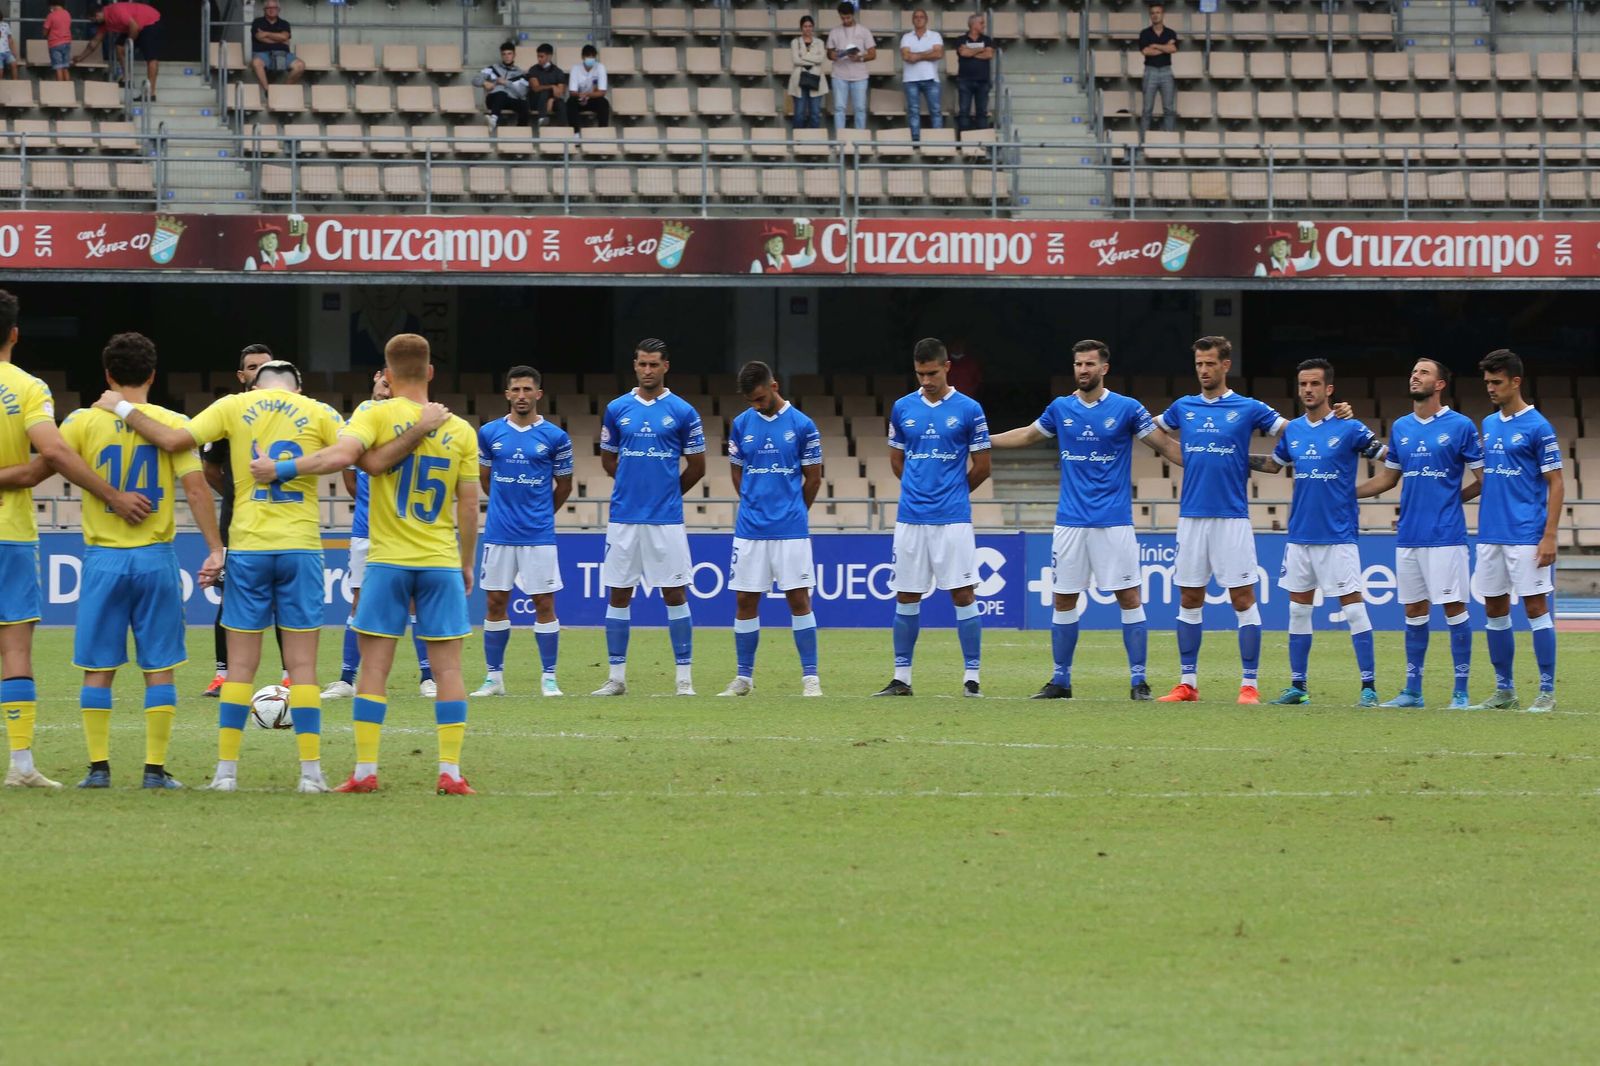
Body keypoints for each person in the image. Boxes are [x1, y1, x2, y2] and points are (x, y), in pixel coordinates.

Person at [100, 359, 344, 793]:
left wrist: (121, 408)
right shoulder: (320, 411)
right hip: (301, 546)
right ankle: (311, 774)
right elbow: (348, 455)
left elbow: (174, 439)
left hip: (249, 548)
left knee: (240, 668)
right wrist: (291, 467)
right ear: (298, 386)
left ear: (255, 382)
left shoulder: (234, 405)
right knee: (303, 667)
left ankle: (226, 774)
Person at [248, 336, 475, 795]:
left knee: (373, 670)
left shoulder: (374, 414)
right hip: (440, 560)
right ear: (431, 373)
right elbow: (469, 506)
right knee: (449, 671)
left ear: (386, 377)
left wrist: (282, 469)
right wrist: (466, 563)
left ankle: (366, 771)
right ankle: (450, 772)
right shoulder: (462, 430)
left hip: (387, 560)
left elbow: (340, 459)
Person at [55, 334, 225, 789]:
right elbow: (194, 488)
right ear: (153, 374)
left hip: (103, 559)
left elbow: (52, 462)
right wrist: (215, 547)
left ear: (107, 375)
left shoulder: (81, 422)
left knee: (98, 667)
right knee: (159, 667)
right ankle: (154, 770)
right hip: (155, 558)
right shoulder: (171, 422)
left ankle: (98, 769)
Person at [0, 290, 153, 789]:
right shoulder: (27, 387)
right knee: (16, 649)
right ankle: (21, 765)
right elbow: (54, 455)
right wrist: (110, 493)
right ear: (15, 334)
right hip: (10, 536)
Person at [989, 339, 1183, 700]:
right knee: (1063, 599)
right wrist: (984, 439)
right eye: (1078, 364)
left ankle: (1138, 681)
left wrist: (1209, 465)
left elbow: (1166, 446)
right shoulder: (1061, 408)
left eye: (1089, 364)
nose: (1082, 370)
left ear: (1104, 368)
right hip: (1070, 523)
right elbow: (1028, 434)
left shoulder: (1127, 408)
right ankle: (1061, 680)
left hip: (1113, 522)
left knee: (1129, 596)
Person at [1245, 359, 1386, 707]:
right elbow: (1275, 465)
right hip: (1300, 536)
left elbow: (1388, 456)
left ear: (1329, 389)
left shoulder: (1349, 427)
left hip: (1338, 535)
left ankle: (1368, 687)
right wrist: (1235, 455)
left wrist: (1357, 489)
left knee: (1353, 610)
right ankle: (1299, 686)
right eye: (1302, 384)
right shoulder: (1293, 430)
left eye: (1314, 384)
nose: (1307, 390)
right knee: (1297, 611)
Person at [1154, 337, 1286, 705]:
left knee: (1242, 598)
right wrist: (1181, 455)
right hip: (1192, 517)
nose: (1203, 370)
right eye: (1198, 364)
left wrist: (1270, 461)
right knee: (1189, 597)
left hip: (1232, 518)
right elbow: (1152, 430)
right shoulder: (1184, 407)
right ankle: (1187, 683)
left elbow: (1295, 431)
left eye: (1210, 363)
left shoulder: (1248, 408)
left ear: (1225, 365)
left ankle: (1249, 685)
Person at [1356, 359, 1484, 709]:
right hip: (1409, 535)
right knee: (1413, 611)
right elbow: (1388, 478)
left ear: (1441, 384)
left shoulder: (1460, 426)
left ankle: (1460, 692)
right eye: (1413, 371)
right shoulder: (1401, 427)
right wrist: (1345, 492)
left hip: (1446, 535)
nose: (1415, 375)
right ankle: (1413, 690)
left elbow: (1483, 478)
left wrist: (1454, 499)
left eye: (1424, 372)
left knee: (1454, 610)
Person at [873, 338, 991, 698]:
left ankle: (971, 678)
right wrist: (918, 490)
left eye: (932, 373)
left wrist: (952, 493)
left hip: (953, 520)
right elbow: (896, 460)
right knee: (907, 595)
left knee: (963, 593)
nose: (925, 380)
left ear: (946, 368)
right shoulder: (902, 408)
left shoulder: (970, 410)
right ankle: (901, 678)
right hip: (911, 518)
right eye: (920, 374)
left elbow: (982, 467)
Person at [593, 338, 706, 697]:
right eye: (642, 364)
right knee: (618, 593)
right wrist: (631, 485)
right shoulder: (616, 408)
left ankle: (683, 679)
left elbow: (697, 467)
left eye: (654, 364)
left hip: (666, 520)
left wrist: (667, 494)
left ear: (665, 367)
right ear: (635, 365)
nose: (647, 371)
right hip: (624, 517)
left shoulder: (684, 411)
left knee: (674, 593)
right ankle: (616, 678)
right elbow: (608, 459)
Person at [322, 371, 438, 700]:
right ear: (373, 383)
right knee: (359, 602)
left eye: (392, 386)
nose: (386, 392)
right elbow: (351, 483)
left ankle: (427, 677)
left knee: (416, 603)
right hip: (366, 532)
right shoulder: (356, 425)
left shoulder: (411, 423)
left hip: (406, 529)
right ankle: (347, 679)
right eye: (383, 385)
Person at [1463, 349, 1562, 711]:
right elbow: (1486, 480)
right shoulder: (1489, 425)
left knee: (1535, 607)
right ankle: (1505, 690)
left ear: (1515, 382)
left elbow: (1557, 482)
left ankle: (1546, 691)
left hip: (1525, 534)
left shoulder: (1539, 426)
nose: (1490, 388)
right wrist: (1452, 499)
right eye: (1487, 382)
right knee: (1494, 608)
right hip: (1490, 533)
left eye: (1496, 382)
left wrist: (1549, 534)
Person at [719, 361, 824, 698]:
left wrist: (793, 510)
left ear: (774, 386)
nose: (757, 405)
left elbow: (814, 477)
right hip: (750, 529)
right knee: (745, 600)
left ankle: (810, 677)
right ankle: (743, 678)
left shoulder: (803, 425)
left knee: (798, 599)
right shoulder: (740, 424)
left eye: (761, 398)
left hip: (790, 529)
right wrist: (752, 501)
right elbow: (737, 471)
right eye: (751, 400)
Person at [471, 366, 573, 699]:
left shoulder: (556, 437)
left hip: (538, 535)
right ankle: (493, 678)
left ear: (538, 394)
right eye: (515, 390)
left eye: (527, 390)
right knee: (495, 602)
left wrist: (541, 513)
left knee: (544, 603)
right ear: (507, 394)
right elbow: (485, 479)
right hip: (499, 533)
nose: (521, 396)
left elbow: (564, 485)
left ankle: (549, 677)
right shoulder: (489, 433)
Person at [200, 344, 286, 697]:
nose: (258, 372)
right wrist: (239, 495)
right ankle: (224, 674)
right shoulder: (227, 414)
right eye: (252, 367)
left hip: (283, 521)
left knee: (284, 600)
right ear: (242, 375)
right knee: (231, 598)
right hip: (238, 523)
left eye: (265, 367)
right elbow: (210, 468)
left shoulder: (292, 414)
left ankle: (289, 675)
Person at [74, 2, 162, 99]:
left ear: (97, 14)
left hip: (149, 21)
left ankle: (150, 93)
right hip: (135, 25)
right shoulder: (105, 23)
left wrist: (128, 44)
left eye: (93, 19)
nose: (94, 22)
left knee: (151, 58)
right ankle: (127, 78)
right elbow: (95, 42)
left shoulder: (115, 11)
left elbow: (134, 27)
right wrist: (80, 57)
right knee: (119, 47)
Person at [826, 2, 874, 133]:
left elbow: (873, 54)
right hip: (839, 74)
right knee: (839, 108)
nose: (845, 20)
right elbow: (829, 53)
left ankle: (860, 139)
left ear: (853, 15)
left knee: (860, 108)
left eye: (848, 17)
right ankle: (840, 139)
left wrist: (860, 57)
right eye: (842, 18)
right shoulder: (834, 31)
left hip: (860, 75)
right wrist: (833, 55)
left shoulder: (864, 30)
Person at [899, 8, 943, 143]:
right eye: (916, 17)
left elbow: (938, 54)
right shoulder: (906, 37)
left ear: (926, 19)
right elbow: (906, 56)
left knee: (935, 110)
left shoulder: (935, 35)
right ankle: (915, 140)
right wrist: (927, 54)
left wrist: (917, 55)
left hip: (931, 78)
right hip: (911, 79)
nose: (919, 19)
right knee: (913, 111)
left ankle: (938, 140)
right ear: (913, 20)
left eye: (921, 17)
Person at [472, 39, 531, 129]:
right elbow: (475, 79)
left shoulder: (520, 73)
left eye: (509, 54)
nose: (507, 57)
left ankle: (521, 130)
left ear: (514, 55)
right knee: (501, 93)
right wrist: (484, 82)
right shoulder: (493, 68)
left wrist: (506, 83)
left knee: (524, 104)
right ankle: (493, 120)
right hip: (493, 99)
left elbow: (522, 93)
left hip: (510, 100)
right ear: (501, 55)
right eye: (504, 54)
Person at [1137, 3, 1177, 134]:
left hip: (1166, 71)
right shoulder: (1144, 33)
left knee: (1169, 109)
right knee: (1147, 109)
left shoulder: (1170, 32)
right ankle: (1143, 143)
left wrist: (1155, 45)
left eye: (1158, 12)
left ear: (1163, 14)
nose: (1155, 15)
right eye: (1152, 13)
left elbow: (1173, 49)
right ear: (1150, 15)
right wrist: (1164, 47)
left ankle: (1170, 142)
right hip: (1150, 71)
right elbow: (1146, 52)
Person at [249, 1, 304, 94]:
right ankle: (267, 91)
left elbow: (285, 37)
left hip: (284, 54)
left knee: (300, 65)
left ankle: (283, 91)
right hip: (263, 54)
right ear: (264, 10)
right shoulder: (257, 22)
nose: (271, 10)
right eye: (268, 8)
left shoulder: (284, 23)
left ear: (278, 10)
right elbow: (259, 37)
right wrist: (280, 40)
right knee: (256, 62)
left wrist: (266, 33)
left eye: (274, 8)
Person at [954, 13, 994, 132]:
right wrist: (981, 49)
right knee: (964, 112)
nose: (984, 25)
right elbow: (963, 53)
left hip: (983, 81)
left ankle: (981, 143)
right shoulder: (961, 39)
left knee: (982, 112)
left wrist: (971, 51)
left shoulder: (987, 39)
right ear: (973, 24)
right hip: (965, 81)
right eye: (981, 23)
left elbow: (989, 54)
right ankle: (965, 142)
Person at [788, 15, 828, 132]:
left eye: (810, 26)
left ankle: (813, 142)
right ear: (801, 28)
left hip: (815, 79)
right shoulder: (795, 42)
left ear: (813, 27)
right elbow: (795, 60)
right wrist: (813, 58)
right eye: (805, 26)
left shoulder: (819, 42)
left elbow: (821, 59)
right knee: (799, 113)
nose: (808, 29)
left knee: (815, 113)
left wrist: (804, 56)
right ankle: (798, 141)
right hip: (799, 79)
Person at [242, 216, 311, 272]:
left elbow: (301, 255)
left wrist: (304, 235)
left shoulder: (282, 257)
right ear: (261, 243)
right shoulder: (252, 261)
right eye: (266, 239)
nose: (270, 242)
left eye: (273, 238)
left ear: (277, 242)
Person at [565, 43, 609, 128]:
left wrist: (587, 95)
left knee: (604, 103)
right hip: (579, 98)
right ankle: (576, 133)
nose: (591, 59)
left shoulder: (600, 67)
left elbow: (602, 92)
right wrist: (581, 96)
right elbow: (572, 92)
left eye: (593, 57)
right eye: (588, 56)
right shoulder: (575, 68)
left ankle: (603, 131)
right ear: (582, 57)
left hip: (593, 99)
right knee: (570, 102)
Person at [1253, 225, 1322, 278]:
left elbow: (1311, 262)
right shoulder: (1262, 267)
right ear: (1271, 249)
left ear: (1287, 248)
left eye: (1283, 245)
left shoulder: (1291, 263)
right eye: (1277, 245)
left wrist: (1314, 242)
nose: (1280, 248)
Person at [749, 219, 816, 274]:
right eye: (772, 242)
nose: (776, 245)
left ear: (783, 245)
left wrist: (809, 239)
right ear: (767, 246)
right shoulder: (758, 264)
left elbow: (808, 258)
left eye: (779, 241)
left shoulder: (788, 260)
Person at [526, 42, 566, 126]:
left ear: (549, 56)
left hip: (551, 101)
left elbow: (559, 93)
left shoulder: (558, 72)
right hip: (535, 101)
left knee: (561, 103)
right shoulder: (533, 69)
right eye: (538, 56)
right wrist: (552, 86)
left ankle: (564, 131)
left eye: (541, 56)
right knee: (545, 91)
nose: (539, 59)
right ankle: (542, 118)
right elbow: (535, 88)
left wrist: (552, 100)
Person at [45, 0, 73, 82]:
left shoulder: (51, 15)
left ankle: (60, 90)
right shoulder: (67, 14)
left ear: (52, 5)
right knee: (65, 67)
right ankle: (68, 89)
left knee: (58, 67)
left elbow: (45, 29)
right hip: (67, 43)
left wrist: (45, 35)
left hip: (55, 44)